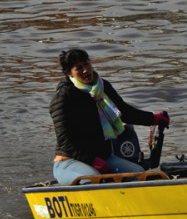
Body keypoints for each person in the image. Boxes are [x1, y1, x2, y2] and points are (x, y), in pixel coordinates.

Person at [51, 48, 170, 185]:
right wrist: (91, 160)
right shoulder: (64, 97)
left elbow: (125, 112)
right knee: (94, 179)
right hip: (69, 161)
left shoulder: (102, 87)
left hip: (103, 157)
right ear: (69, 73)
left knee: (140, 175)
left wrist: (153, 119)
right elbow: (65, 141)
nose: (85, 70)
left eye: (86, 64)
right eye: (79, 68)